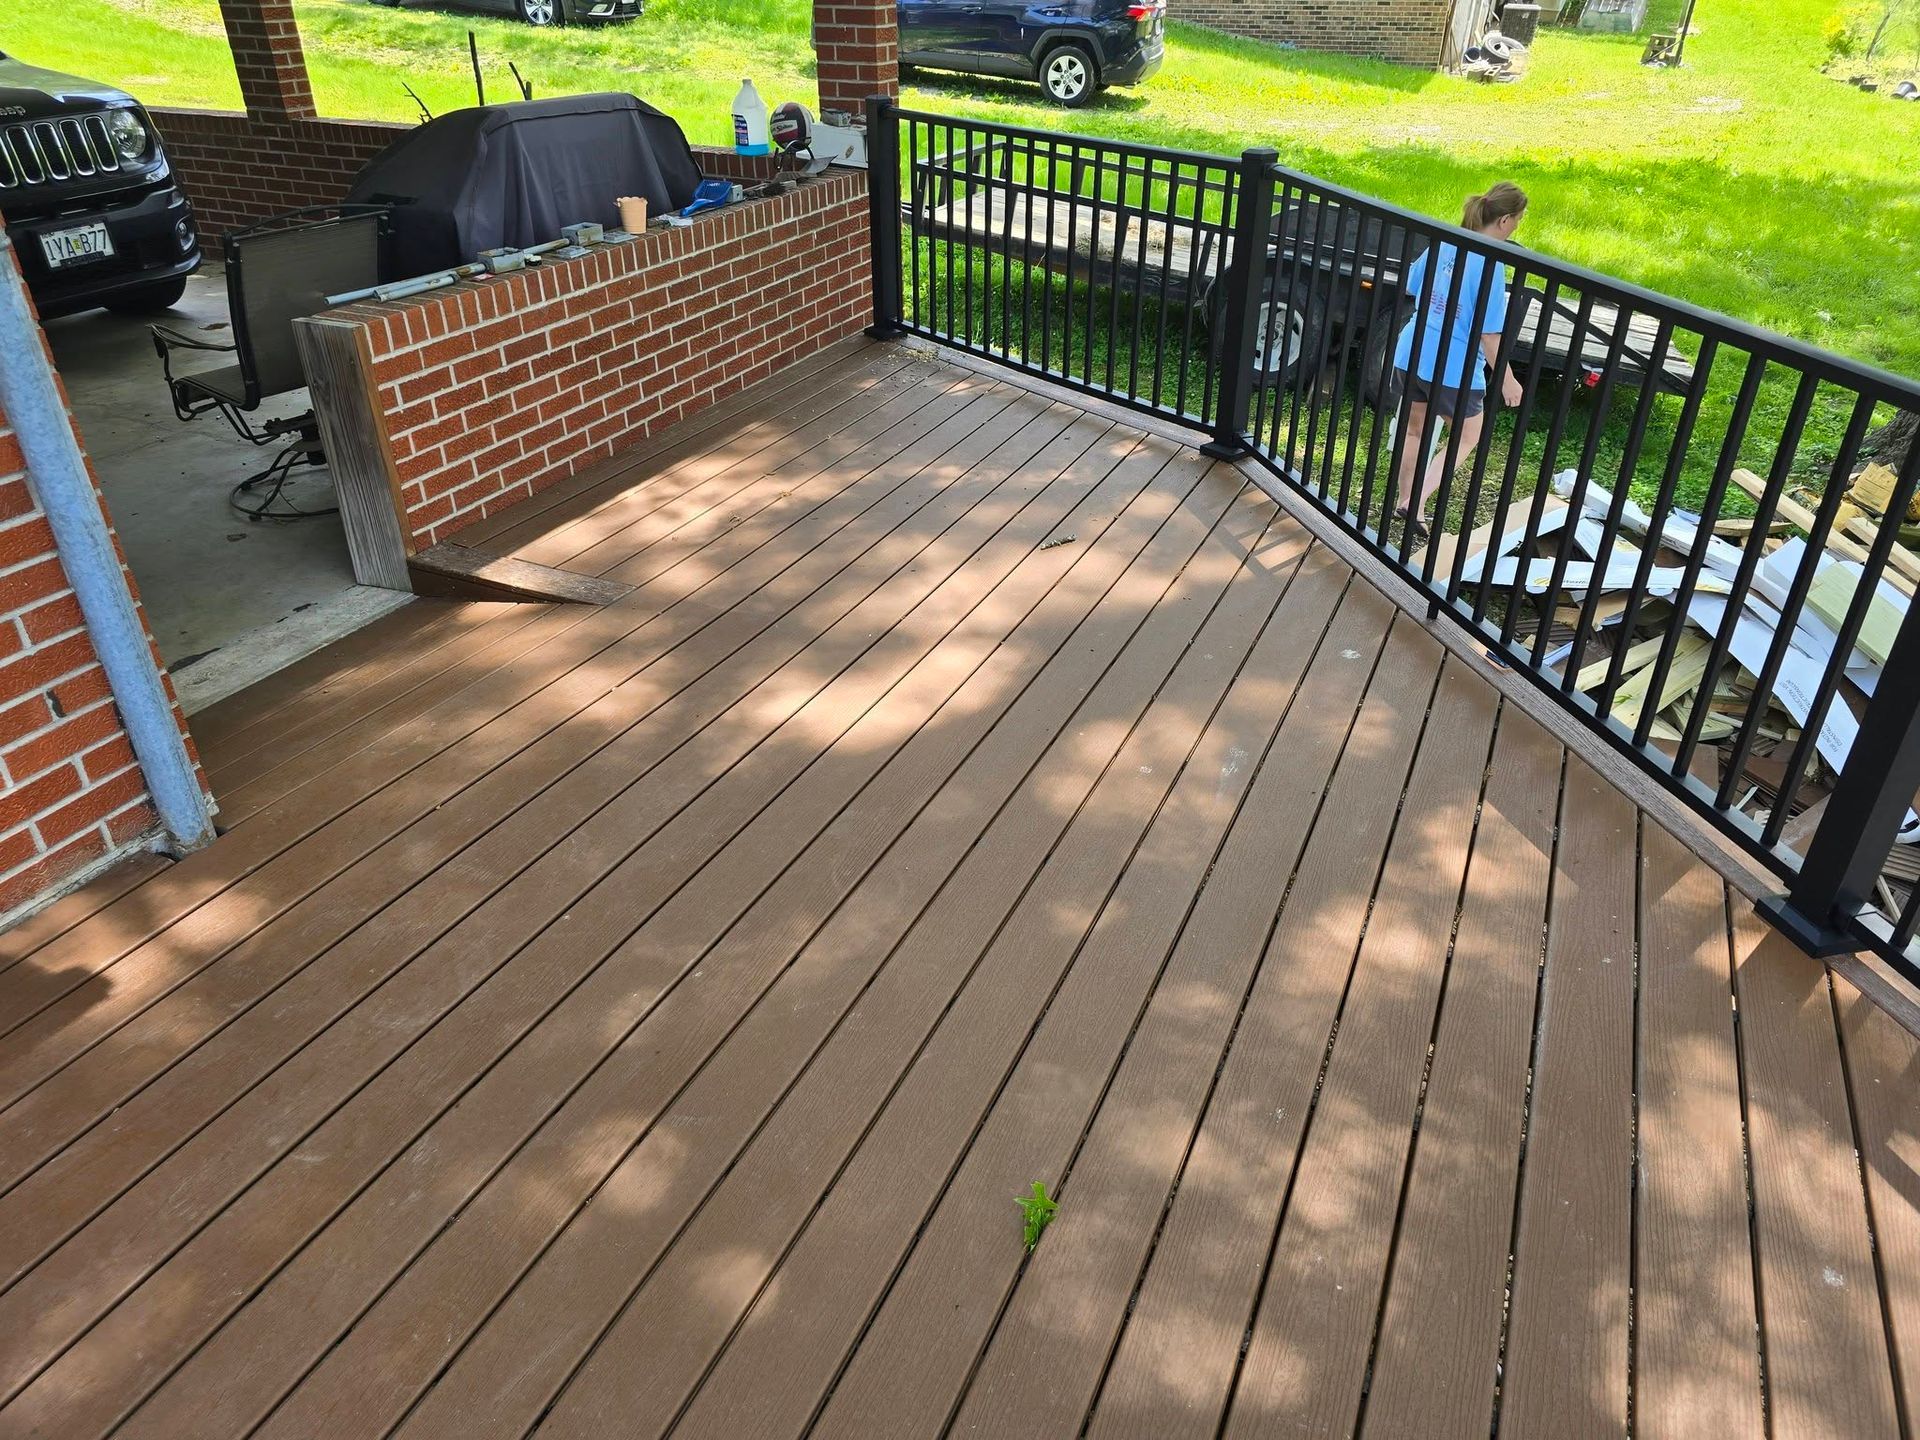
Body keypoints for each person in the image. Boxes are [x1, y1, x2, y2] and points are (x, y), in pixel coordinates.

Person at [1389, 182, 1528, 544]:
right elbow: (1488, 334)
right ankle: (1414, 500)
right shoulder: (1490, 265)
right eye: (1518, 221)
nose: (1516, 228)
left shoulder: (1446, 241)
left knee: (1414, 430)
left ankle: (1409, 503)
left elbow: (1411, 285)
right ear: (1505, 220)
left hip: (1412, 350)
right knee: (1467, 435)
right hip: (1451, 366)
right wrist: (1508, 381)